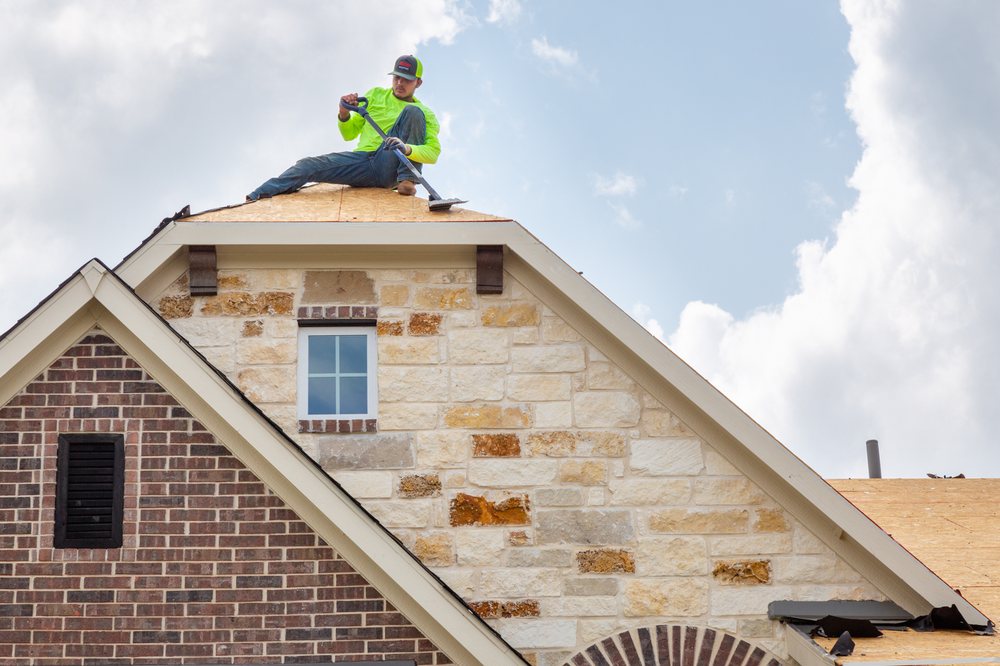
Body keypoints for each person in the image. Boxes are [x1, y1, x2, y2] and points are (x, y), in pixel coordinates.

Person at [246, 55, 440, 202]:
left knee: (413, 112)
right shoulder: (376, 95)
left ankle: (407, 180)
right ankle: (256, 196)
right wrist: (344, 112)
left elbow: (432, 153)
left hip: (392, 163)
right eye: (397, 77)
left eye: (406, 79)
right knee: (308, 165)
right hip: (363, 163)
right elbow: (349, 134)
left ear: (418, 82)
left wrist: (406, 148)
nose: (400, 83)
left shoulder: (424, 113)